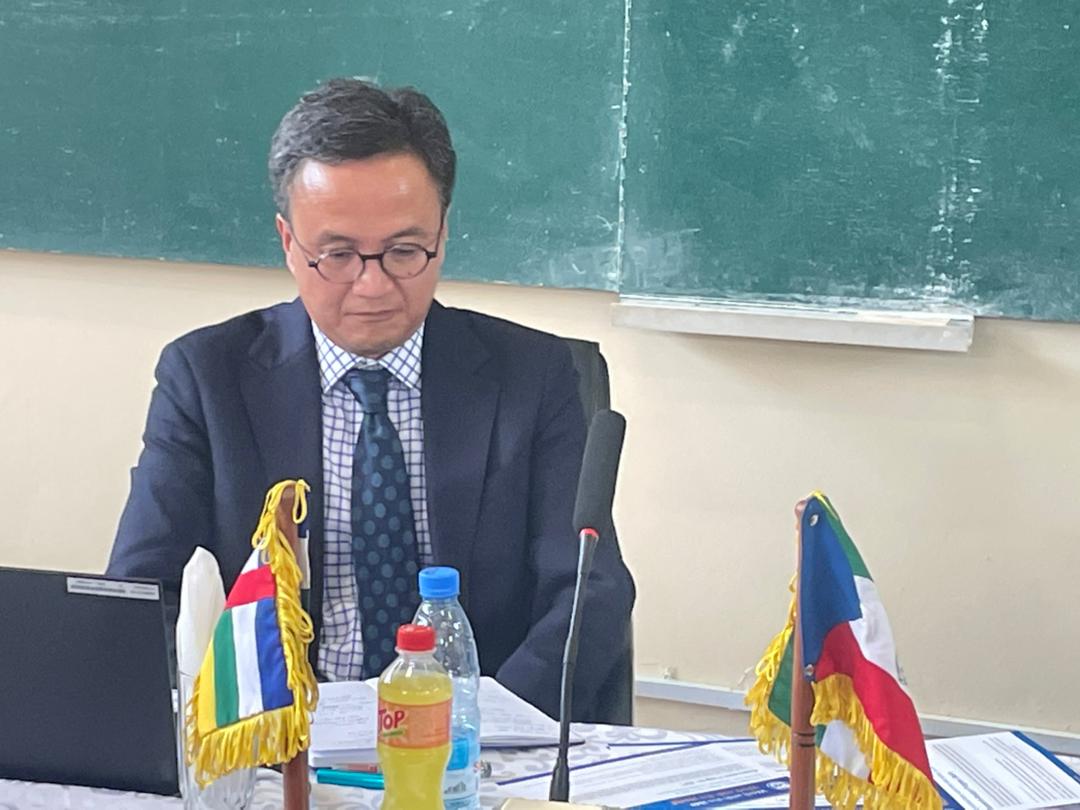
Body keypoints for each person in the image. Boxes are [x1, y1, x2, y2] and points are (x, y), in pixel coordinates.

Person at [106, 78, 635, 719]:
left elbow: (589, 592)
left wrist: (481, 724)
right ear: (288, 243)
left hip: (477, 734)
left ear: (443, 233)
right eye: (337, 254)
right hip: (279, 738)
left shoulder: (534, 375)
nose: (373, 285)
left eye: (404, 251)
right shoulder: (206, 378)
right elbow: (144, 596)